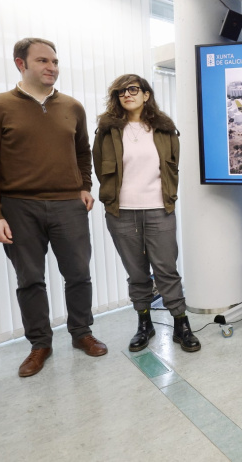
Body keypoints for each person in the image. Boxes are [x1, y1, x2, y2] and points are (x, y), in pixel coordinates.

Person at [0, 37, 107, 378]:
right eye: (43, 61)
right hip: (18, 207)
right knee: (29, 279)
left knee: (78, 273)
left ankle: (81, 333)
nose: (52, 68)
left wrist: (84, 187)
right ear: (21, 64)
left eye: (55, 62)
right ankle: (40, 344)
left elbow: (82, 152)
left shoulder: (72, 106)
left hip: (67, 205)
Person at [93, 74, 200, 353]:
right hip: (121, 212)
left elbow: (173, 167)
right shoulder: (106, 131)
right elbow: (99, 169)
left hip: (159, 210)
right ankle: (144, 323)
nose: (127, 95)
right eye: (120, 92)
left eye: (133, 90)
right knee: (137, 274)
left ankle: (181, 324)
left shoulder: (164, 129)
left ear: (146, 94)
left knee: (167, 271)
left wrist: (168, 198)